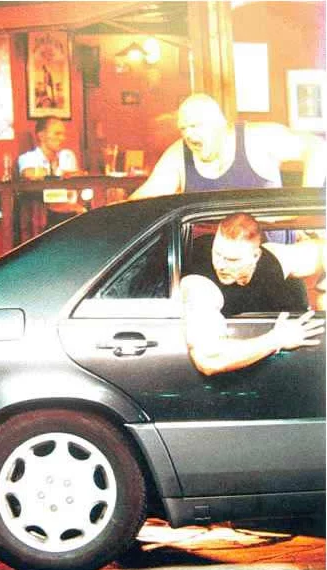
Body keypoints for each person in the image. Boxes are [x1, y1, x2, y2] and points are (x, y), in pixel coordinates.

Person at [181, 212, 324, 376]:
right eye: (217, 253)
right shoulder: (200, 285)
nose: (220, 265)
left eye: (232, 260)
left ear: (255, 256)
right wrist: (277, 339)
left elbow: (320, 251)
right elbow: (208, 359)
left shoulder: (272, 259)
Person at [130, 93, 326, 199]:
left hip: (265, 253)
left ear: (219, 124)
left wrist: (305, 204)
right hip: (209, 255)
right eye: (183, 128)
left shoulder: (256, 138)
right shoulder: (178, 154)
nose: (188, 134)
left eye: (195, 126)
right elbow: (142, 201)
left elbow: (318, 147)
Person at [18, 117, 84, 180]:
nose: (62, 138)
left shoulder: (67, 155)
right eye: (57, 134)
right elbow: (28, 174)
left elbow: (76, 180)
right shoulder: (27, 158)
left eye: (63, 134)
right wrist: (63, 174)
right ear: (41, 136)